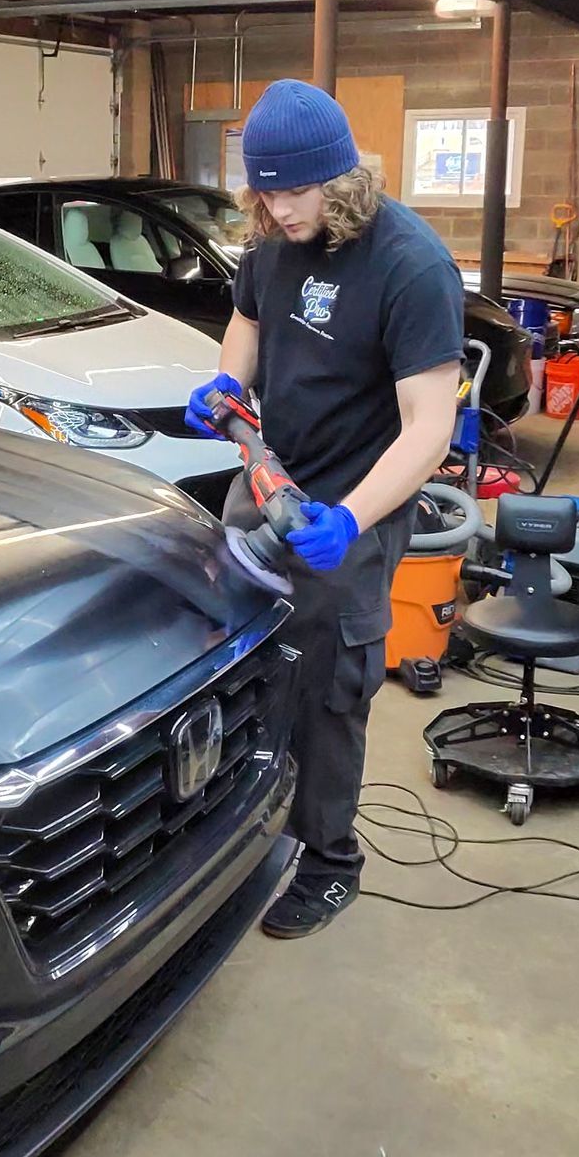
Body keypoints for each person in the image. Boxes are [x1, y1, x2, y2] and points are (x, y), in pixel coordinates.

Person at [186, 80, 464, 939]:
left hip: (355, 510)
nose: (278, 207)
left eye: (296, 191)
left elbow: (430, 428)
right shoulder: (270, 240)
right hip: (270, 483)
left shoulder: (409, 265)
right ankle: (235, 826)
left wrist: (349, 520)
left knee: (327, 691)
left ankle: (331, 859)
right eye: (264, 191)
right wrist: (232, 380)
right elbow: (249, 320)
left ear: (341, 180)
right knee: (229, 662)